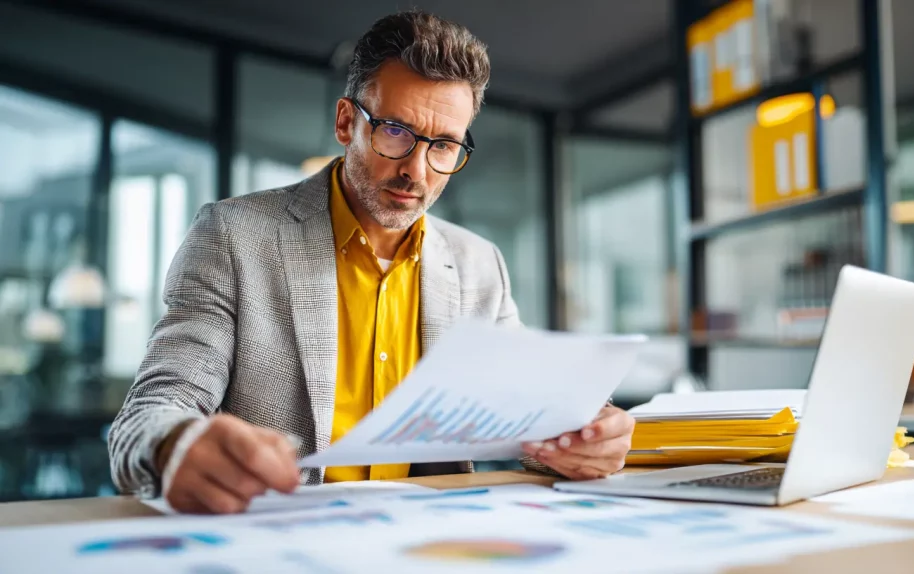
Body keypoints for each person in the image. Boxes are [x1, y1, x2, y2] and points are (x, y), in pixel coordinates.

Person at [108, 10, 635, 514]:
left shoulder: (479, 265)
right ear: (345, 122)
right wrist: (174, 444)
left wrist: (583, 435)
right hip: (278, 537)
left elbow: (532, 410)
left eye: (444, 145)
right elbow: (150, 412)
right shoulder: (233, 237)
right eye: (396, 132)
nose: (417, 170)